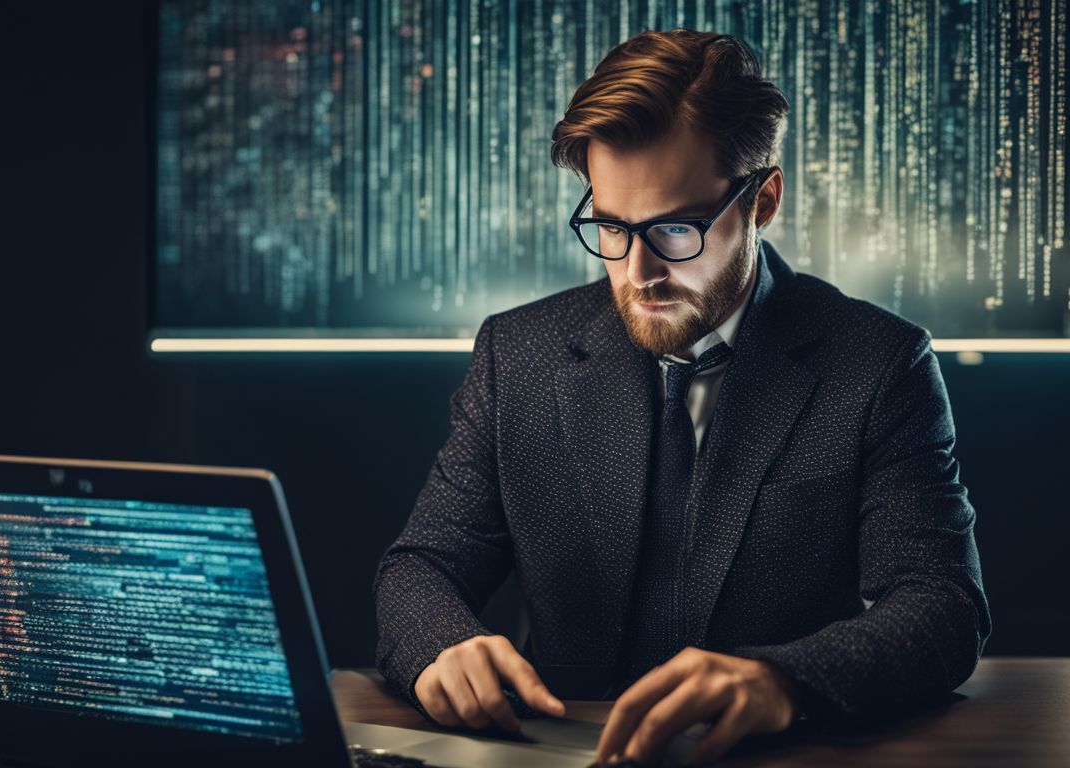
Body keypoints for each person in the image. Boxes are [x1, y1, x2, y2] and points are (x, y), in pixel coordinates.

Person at [373, 28, 990, 766]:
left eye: (676, 228)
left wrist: (782, 681)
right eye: (609, 227)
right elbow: (419, 567)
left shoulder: (878, 365)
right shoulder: (520, 356)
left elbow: (941, 607)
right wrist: (444, 646)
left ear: (762, 201)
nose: (639, 272)